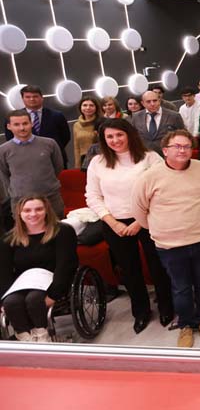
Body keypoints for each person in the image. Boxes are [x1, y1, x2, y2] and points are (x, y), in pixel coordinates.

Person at [132, 129, 200, 347]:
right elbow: (139, 211)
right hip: (170, 245)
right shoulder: (149, 177)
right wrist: (161, 229)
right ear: (165, 151)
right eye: (177, 146)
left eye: (187, 146)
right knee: (180, 288)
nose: (183, 150)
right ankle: (186, 325)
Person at [86, 118, 173, 333]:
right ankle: (141, 312)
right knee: (129, 270)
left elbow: (162, 190)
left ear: (129, 135)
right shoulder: (97, 162)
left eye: (119, 135)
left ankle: (166, 307)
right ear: (104, 139)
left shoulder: (149, 157)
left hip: (149, 219)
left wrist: (139, 221)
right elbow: (93, 196)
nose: (115, 140)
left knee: (158, 266)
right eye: (110, 137)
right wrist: (112, 222)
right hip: (114, 222)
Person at [0, 196, 77, 342]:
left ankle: (42, 336)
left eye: (39, 209)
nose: (33, 214)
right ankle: (25, 338)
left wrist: (54, 295)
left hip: (52, 280)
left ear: (47, 211)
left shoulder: (62, 232)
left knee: (34, 299)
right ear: (19, 214)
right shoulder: (9, 238)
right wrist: (2, 299)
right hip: (22, 282)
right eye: (27, 210)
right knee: (11, 303)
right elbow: (3, 271)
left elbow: (66, 265)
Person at [1, 111, 65, 226]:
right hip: (20, 201)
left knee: (58, 233)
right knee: (27, 239)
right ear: (9, 127)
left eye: (25, 123)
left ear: (31, 124)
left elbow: (58, 167)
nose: (22, 128)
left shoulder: (49, 143)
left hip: (51, 198)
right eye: (16, 124)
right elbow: (5, 175)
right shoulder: (3, 150)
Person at [3, 85, 71, 167]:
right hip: (26, 161)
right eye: (28, 97)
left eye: (35, 96)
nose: (32, 99)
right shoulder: (14, 118)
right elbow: (10, 139)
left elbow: (65, 137)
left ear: (42, 98)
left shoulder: (57, 115)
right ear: (22, 99)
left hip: (54, 159)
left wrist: (51, 149)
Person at [130, 90, 186, 155]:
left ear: (159, 100)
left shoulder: (174, 116)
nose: (152, 104)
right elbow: (133, 137)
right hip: (144, 156)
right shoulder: (136, 117)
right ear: (143, 103)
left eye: (155, 100)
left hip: (168, 156)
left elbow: (183, 136)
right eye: (148, 101)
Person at [72, 97, 101, 168]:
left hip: (99, 159)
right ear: (80, 107)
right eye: (85, 105)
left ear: (96, 107)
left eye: (91, 105)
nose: (88, 108)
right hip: (84, 160)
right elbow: (76, 147)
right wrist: (77, 166)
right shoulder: (76, 125)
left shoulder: (102, 122)